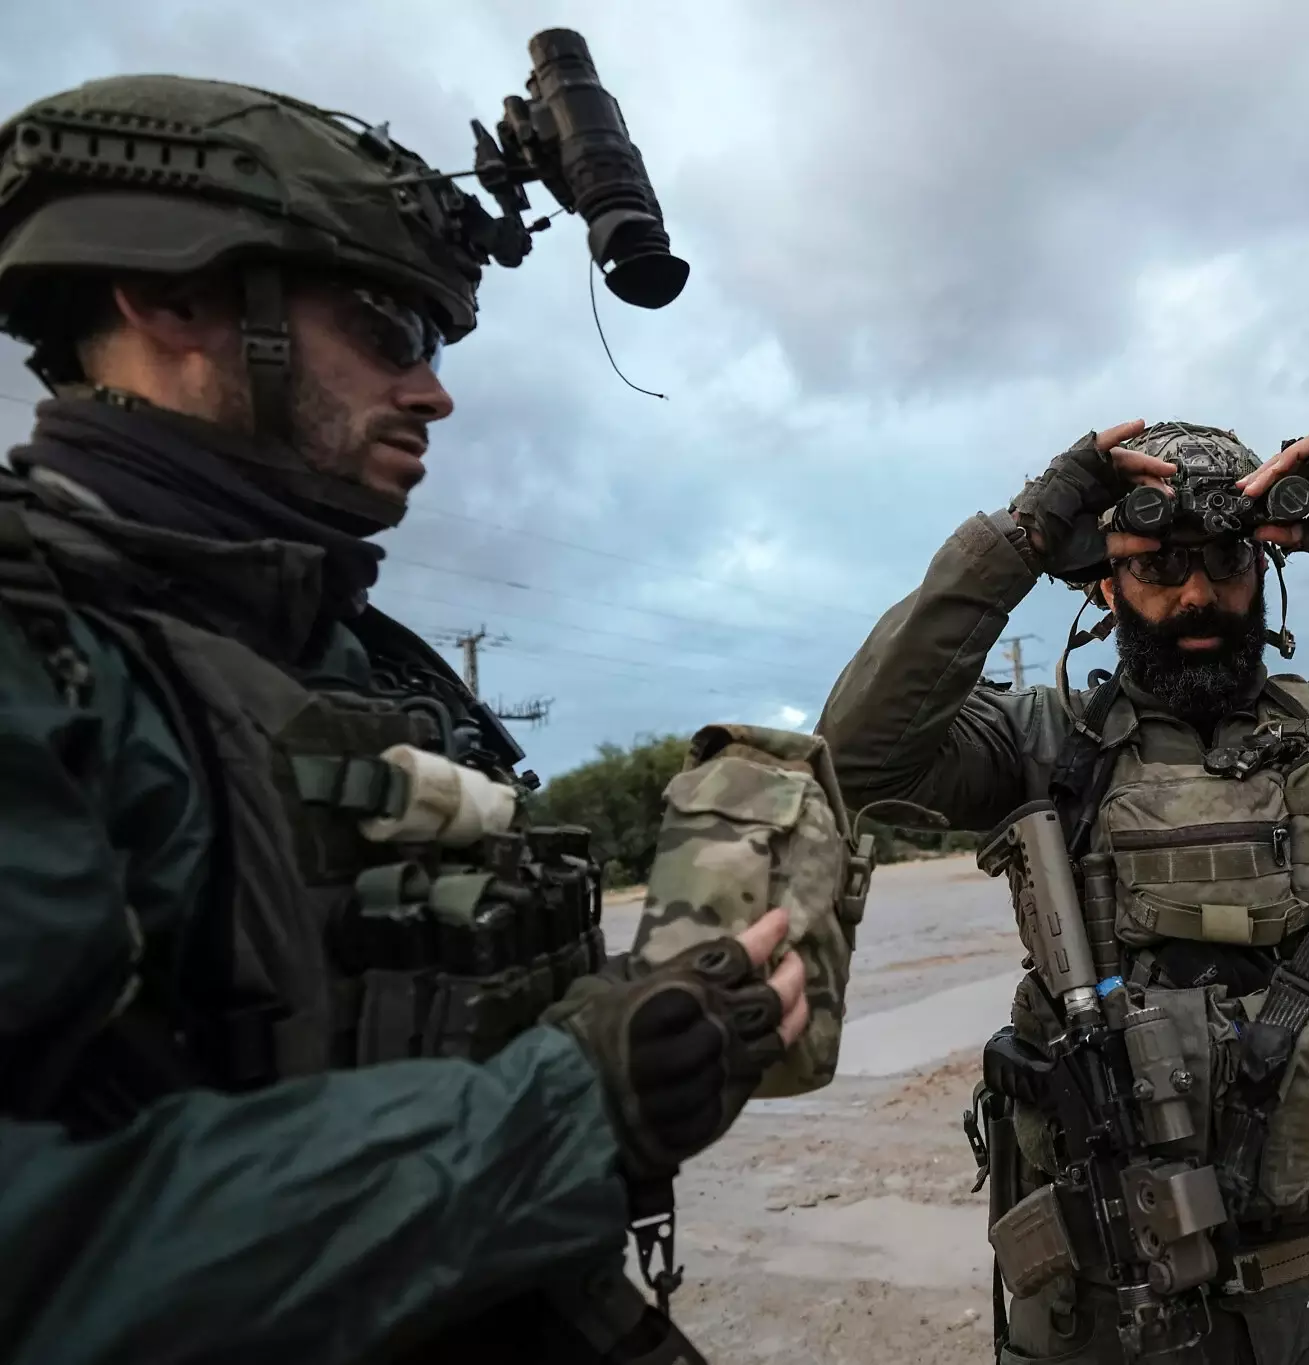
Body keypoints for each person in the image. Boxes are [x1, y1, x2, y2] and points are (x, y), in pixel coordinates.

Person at [0, 74, 809, 1364]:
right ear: (172, 298)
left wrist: (639, 1015)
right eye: (387, 328)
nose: (434, 394)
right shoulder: (46, 659)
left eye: (436, 343)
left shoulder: (359, 656)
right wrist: (568, 1113)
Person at [817, 419, 1309, 1364]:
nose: (1197, 594)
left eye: (1226, 562)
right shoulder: (1039, 744)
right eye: (1159, 567)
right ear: (1104, 583)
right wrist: (1019, 540)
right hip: (1109, 1296)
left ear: (1266, 567)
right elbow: (854, 759)